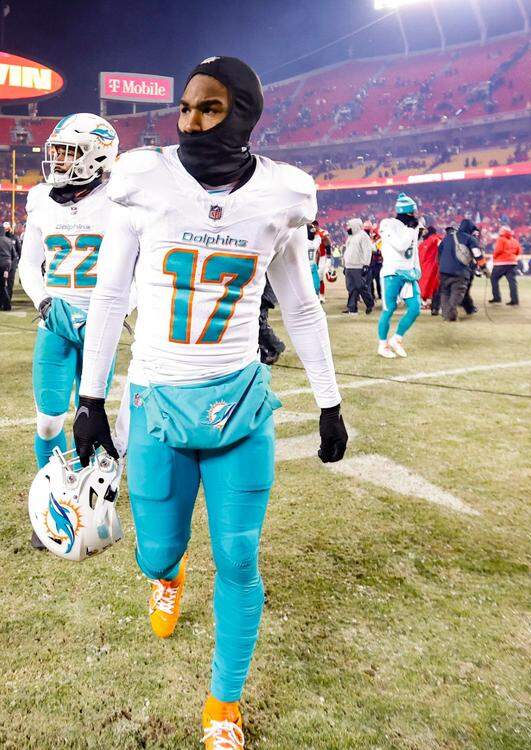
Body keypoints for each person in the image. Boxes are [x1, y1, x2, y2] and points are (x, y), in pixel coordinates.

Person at [72, 56, 347, 750]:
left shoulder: (281, 195)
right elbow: (110, 294)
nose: (192, 121)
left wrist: (329, 401)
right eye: (186, 107)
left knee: (241, 558)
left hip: (240, 405)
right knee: (155, 555)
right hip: (158, 403)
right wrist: (90, 398)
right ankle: (169, 576)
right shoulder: (143, 180)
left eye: (211, 108)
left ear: (244, 114)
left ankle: (224, 700)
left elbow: (302, 307)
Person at [18, 112, 120, 548]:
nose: (57, 159)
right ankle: (53, 499)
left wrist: (117, 309)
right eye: (57, 150)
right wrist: (44, 302)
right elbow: (28, 263)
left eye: (68, 151)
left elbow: (138, 265)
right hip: (56, 321)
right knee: (47, 422)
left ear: (96, 155)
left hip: (100, 322)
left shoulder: (119, 198)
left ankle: (88, 504)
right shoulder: (40, 198)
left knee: (88, 416)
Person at [376, 193, 422, 358]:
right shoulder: (387, 224)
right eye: (413, 212)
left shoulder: (412, 227)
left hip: (408, 274)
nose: (415, 215)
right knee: (389, 309)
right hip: (392, 272)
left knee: (415, 308)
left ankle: (396, 339)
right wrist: (410, 229)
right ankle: (382, 345)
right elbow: (401, 245)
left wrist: (417, 268)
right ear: (408, 212)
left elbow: (413, 250)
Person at [437, 219, 483, 321]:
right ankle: (450, 315)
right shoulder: (470, 239)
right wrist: (484, 268)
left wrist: (442, 265)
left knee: (445, 292)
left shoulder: (447, 238)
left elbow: (439, 252)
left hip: (444, 271)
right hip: (460, 271)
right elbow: (478, 255)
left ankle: (445, 313)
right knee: (457, 293)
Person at [342, 218, 375, 315]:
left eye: (349, 226)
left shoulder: (363, 236)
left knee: (361, 287)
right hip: (349, 266)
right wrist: (345, 265)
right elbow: (347, 252)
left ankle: (370, 303)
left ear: (355, 226)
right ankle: (352, 308)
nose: (348, 228)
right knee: (351, 288)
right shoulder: (350, 237)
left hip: (358, 265)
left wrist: (366, 264)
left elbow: (367, 251)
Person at [489, 225, 521, 305]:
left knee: (493, 278)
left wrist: (494, 256)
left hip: (501, 263)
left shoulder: (501, 239)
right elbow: (518, 251)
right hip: (512, 263)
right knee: (512, 282)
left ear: (502, 231)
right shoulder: (514, 240)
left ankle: (497, 298)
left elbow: (498, 250)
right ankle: (515, 300)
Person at [0, 225, 18, 311]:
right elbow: (14, 255)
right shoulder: (9, 240)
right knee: (3, 284)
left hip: (0, 265)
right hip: (8, 265)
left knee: (1, 285)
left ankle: (7, 305)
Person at [418, 225, 441, 315]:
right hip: (433, 267)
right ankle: (432, 305)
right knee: (434, 287)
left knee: (425, 286)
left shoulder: (427, 241)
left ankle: (426, 303)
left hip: (426, 267)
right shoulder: (435, 239)